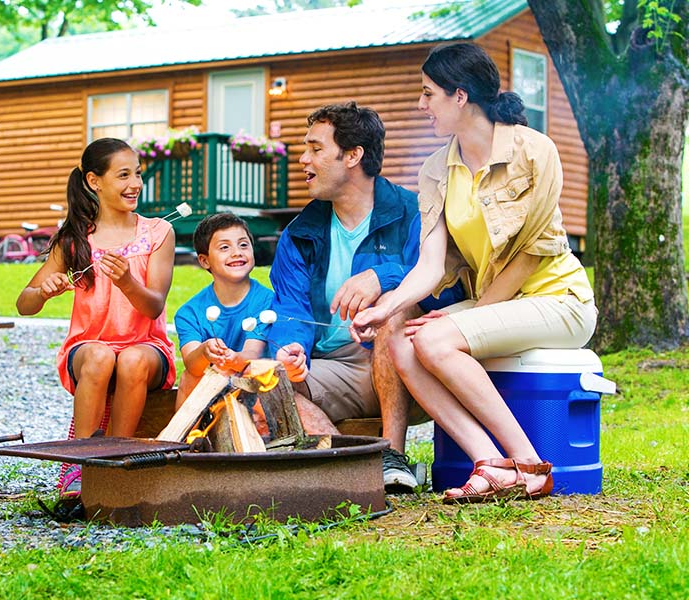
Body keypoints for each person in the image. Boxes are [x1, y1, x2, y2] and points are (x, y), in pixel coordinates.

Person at [351, 42, 597, 503]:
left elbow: (532, 254)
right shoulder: (435, 171)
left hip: (559, 301)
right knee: (400, 336)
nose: (421, 105)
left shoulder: (534, 151)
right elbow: (430, 266)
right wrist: (385, 308)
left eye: (428, 94)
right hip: (498, 305)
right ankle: (490, 462)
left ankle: (530, 464)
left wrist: (469, 318)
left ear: (459, 96)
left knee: (435, 337)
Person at [269, 101, 463, 491]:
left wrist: (383, 277)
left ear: (353, 155)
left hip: (412, 362)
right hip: (337, 368)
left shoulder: (415, 212)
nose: (303, 159)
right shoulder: (299, 232)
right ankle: (342, 463)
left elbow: (448, 287)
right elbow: (290, 309)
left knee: (394, 309)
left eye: (315, 148)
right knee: (267, 379)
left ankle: (392, 454)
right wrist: (290, 349)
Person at [16, 137, 176, 497]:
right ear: (94, 181)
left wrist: (127, 282)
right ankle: (79, 460)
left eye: (137, 174)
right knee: (101, 355)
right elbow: (23, 303)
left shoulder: (157, 232)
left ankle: (115, 456)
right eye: (123, 175)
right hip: (88, 349)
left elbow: (153, 306)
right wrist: (43, 292)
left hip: (147, 348)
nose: (135, 184)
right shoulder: (75, 238)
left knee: (132, 359)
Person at [174, 212, 336, 435]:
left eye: (243, 244)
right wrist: (205, 351)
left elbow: (252, 353)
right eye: (224, 248)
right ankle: (182, 444)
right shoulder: (189, 313)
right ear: (204, 260)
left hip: (259, 389)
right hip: (212, 395)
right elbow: (192, 364)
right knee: (189, 377)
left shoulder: (268, 302)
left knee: (252, 375)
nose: (237, 252)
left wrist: (233, 359)